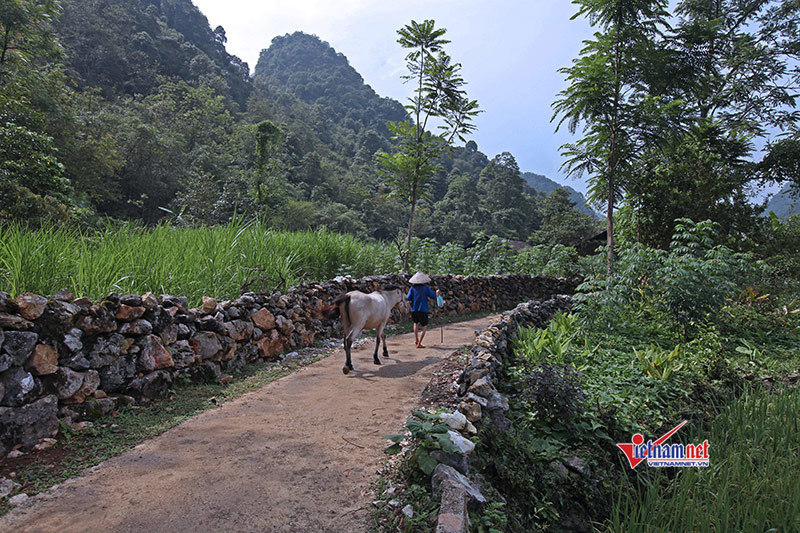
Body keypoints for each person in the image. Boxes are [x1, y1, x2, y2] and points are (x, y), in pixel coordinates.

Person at [406, 272, 441, 348]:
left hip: (414, 309)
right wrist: (437, 293)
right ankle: (419, 343)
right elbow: (434, 296)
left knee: (415, 324)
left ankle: (416, 340)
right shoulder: (426, 288)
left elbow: (408, 297)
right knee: (424, 326)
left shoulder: (412, 288)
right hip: (423, 309)